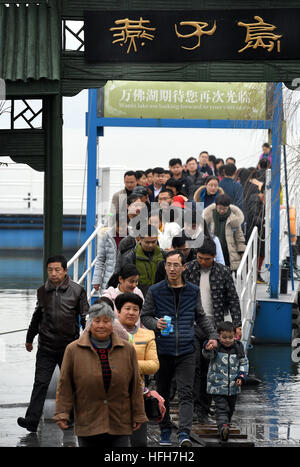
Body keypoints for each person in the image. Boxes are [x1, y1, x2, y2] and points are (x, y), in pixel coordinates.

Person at [141, 250, 218, 447]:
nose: (172, 269)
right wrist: (155, 323)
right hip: (163, 349)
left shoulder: (192, 290)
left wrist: (212, 335)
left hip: (186, 349)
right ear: (165, 266)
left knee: (186, 393)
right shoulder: (155, 290)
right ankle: (165, 430)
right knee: (164, 393)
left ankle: (184, 433)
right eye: (168, 264)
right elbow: (145, 316)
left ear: (184, 267)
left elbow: (200, 315)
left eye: (176, 265)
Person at [54, 301, 147, 447]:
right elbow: (65, 385)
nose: (101, 325)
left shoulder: (127, 350)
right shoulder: (73, 350)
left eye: (106, 321)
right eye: (97, 321)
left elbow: (135, 385)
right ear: (90, 323)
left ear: (113, 324)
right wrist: (62, 413)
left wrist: (139, 414)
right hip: (88, 422)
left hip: (119, 422)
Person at [17, 255, 89, 432]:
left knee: (71, 383)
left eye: (57, 270)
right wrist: (29, 338)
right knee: (40, 383)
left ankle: (71, 418)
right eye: (50, 270)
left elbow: (85, 317)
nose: (54, 273)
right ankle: (31, 421)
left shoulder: (78, 290)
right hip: (46, 346)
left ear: (65, 271)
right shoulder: (42, 291)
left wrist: (88, 341)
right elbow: (37, 316)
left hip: (70, 347)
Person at [184, 237, 242, 423]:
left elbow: (233, 299)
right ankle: (192, 406)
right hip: (192, 324)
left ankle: (203, 408)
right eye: (200, 258)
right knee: (193, 365)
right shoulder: (189, 269)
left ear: (214, 257)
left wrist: (237, 323)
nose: (203, 262)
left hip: (214, 326)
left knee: (210, 368)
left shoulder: (223, 272)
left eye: (207, 259)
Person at [114, 292, 160, 447]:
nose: (131, 312)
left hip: (138, 393)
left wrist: (128, 364)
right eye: (127, 308)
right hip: (112, 394)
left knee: (139, 441)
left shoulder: (147, 334)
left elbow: (154, 365)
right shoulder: (109, 332)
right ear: (118, 311)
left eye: (135, 309)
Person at [202, 321, 248, 441]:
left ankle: (225, 425)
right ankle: (223, 427)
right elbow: (207, 355)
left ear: (235, 336)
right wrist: (207, 348)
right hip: (217, 386)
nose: (227, 340)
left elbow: (244, 362)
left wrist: (241, 376)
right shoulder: (216, 347)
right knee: (221, 408)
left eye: (230, 337)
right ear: (218, 336)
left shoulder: (238, 347)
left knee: (230, 409)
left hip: (233, 387)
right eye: (224, 337)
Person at [117, 225, 164, 296]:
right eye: (147, 242)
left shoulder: (164, 255)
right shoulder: (129, 257)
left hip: (159, 296)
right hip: (137, 297)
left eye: (153, 242)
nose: (151, 245)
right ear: (140, 239)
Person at [203, 194, 246, 272]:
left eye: (224, 209)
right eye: (220, 208)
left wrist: (242, 251)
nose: (222, 211)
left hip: (229, 251)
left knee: (228, 274)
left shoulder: (234, 218)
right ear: (216, 206)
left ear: (228, 207)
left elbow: (239, 236)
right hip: (213, 250)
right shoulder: (209, 216)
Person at [92, 216, 119, 294]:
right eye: (119, 225)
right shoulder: (106, 236)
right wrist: (96, 280)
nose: (121, 228)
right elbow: (100, 259)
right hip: (109, 278)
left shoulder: (132, 236)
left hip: (125, 279)